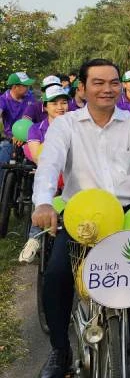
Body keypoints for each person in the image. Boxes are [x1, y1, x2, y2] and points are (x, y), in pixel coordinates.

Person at [31, 58, 130, 378]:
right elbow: (49, 165)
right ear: (82, 89)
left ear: (122, 88)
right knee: (58, 276)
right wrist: (44, 202)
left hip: (128, 216)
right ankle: (60, 350)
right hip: (82, 216)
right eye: (98, 83)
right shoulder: (66, 125)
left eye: (113, 82)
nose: (107, 89)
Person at [18, 86, 71, 263]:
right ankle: (34, 238)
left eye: (63, 102)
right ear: (45, 107)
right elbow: (37, 156)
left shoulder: (79, 127)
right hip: (52, 174)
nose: (60, 107)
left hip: (75, 174)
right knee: (44, 189)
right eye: (54, 103)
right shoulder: (36, 129)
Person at [0, 72, 37, 189]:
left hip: (29, 138)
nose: (27, 88)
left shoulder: (30, 98)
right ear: (15, 87)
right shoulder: (3, 99)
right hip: (10, 138)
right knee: (3, 156)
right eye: (25, 86)